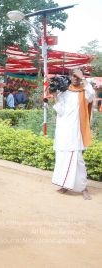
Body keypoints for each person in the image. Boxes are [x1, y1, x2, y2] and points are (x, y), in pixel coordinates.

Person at [51, 69, 95, 200]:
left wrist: (83, 79)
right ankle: (65, 185)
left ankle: (83, 187)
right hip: (63, 131)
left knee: (78, 160)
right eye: (73, 75)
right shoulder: (64, 91)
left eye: (77, 76)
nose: (75, 78)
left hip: (76, 131)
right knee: (62, 157)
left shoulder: (84, 92)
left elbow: (91, 95)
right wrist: (54, 96)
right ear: (70, 77)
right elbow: (60, 111)